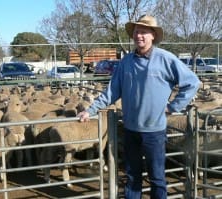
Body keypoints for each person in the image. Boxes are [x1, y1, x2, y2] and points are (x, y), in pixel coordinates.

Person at [77, 15, 200, 199]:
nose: (139, 35)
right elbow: (112, 92)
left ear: (153, 35)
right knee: (132, 176)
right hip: (130, 129)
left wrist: (173, 106)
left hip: (154, 131)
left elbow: (192, 82)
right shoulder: (126, 62)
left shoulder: (165, 59)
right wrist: (90, 110)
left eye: (143, 31)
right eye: (136, 31)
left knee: (157, 178)